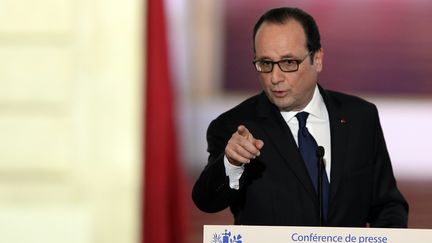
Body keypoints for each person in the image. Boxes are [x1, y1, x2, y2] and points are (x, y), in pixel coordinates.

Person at [192, 7, 408, 227]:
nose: (275, 77)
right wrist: (231, 163)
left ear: (318, 59)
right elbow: (207, 202)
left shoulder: (360, 118)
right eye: (266, 63)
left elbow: (387, 205)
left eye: (288, 63)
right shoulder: (234, 126)